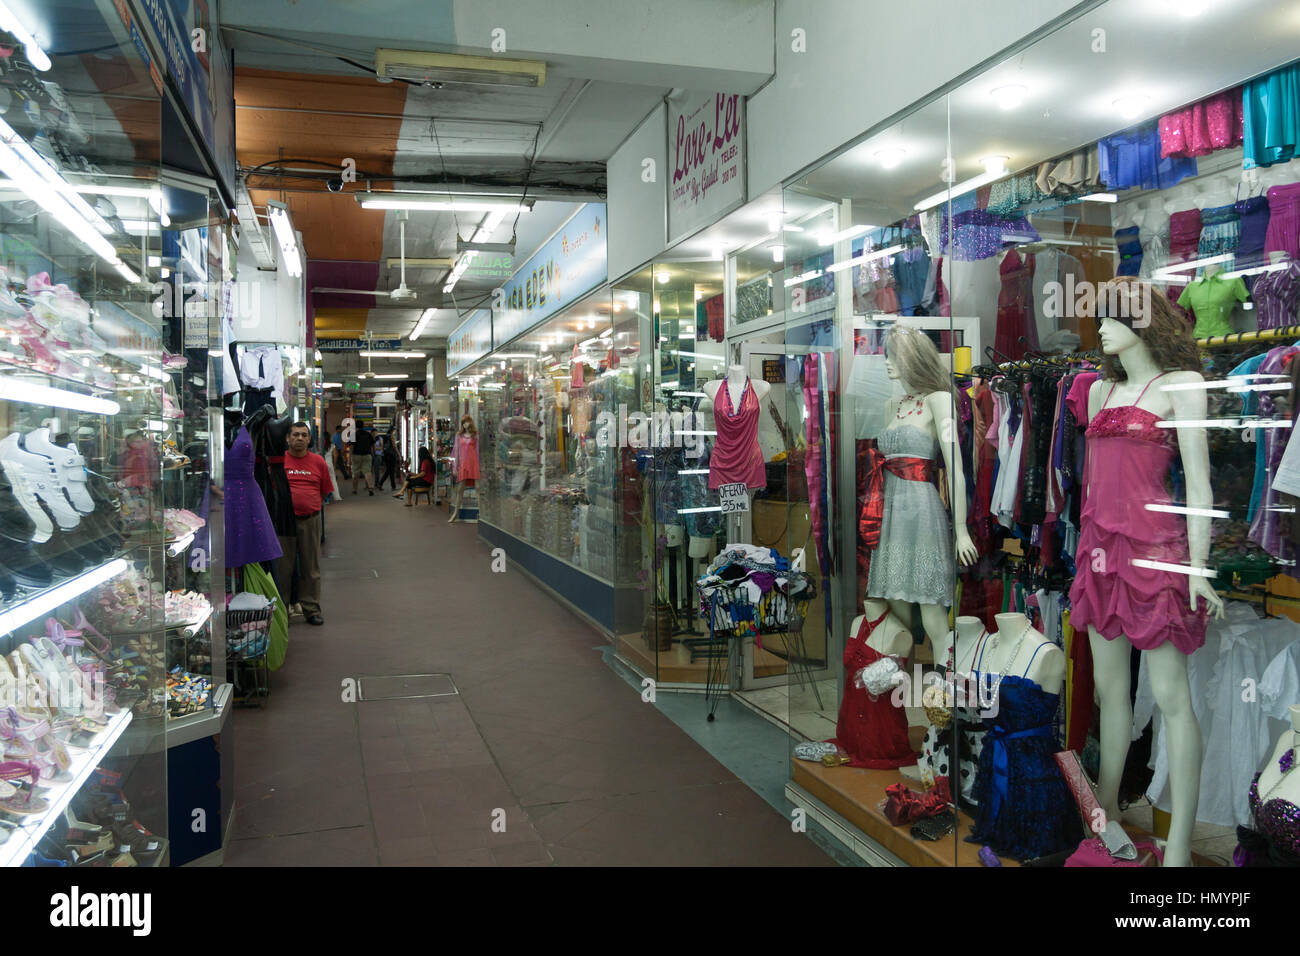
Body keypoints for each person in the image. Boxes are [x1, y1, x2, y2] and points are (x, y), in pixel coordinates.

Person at [284, 421, 332, 625]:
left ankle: (311, 609)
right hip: (284, 522)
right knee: (284, 567)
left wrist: (310, 505)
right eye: (295, 434)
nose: (300, 438)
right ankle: (282, 610)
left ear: (309, 439)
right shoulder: (279, 461)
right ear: (288, 438)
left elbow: (325, 490)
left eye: (304, 435)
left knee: (310, 567)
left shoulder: (318, 462)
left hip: (310, 520)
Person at [351, 423, 375, 496]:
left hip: (356, 455)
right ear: (363, 426)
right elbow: (373, 445)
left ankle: (354, 490)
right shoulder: (368, 434)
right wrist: (373, 453)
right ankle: (370, 488)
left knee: (355, 473)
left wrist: (350, 457)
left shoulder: (353, 435)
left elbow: (351, 446)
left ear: (356, 427)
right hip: (367, 455)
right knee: (367, 472)